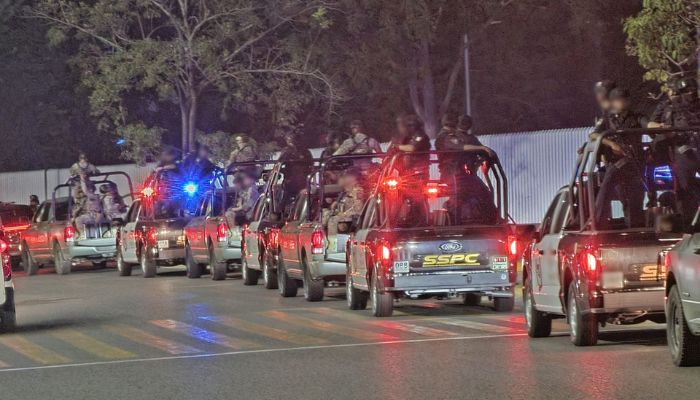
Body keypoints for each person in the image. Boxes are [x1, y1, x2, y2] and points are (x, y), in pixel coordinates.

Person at [590, 88, 646, 228]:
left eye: (625, 99)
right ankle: (597, 223)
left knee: (634, 199)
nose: (623, 102)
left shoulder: (636, 117)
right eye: (620, 100)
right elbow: (594, 135)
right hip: (615, 162)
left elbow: (648, 124)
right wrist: (611, 144)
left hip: (634, 164)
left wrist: (659, 126)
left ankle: (635, 230)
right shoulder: (608, 120)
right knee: (607, 190)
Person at [648, 78, 700, 226]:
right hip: (679, 150)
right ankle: (687, 223)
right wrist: (664, 128)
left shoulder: (696, 105)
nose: (690, 94)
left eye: (692, 90)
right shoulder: (667, 106)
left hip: (696, 147)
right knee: (683, 189)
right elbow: (651, 124)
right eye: (685, 91)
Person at [326, 168, 366, 236]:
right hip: (342, 227)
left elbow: (358, 211)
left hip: (350, 228)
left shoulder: (357, 192)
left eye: (344, 177)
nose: (340, 179)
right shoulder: (345, 193)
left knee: (333, 220)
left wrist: (341, 215)